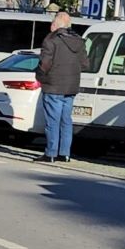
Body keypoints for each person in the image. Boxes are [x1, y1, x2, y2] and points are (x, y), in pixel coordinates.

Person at [36, 11, 87, 164]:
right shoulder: (79, 41)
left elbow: (44, 63)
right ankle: (65, 154)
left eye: (52, 23)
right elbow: (85, 64)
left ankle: (50, 153)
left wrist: (39, 76)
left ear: (56, 25)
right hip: (71, 87)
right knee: (66, 121)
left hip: (53, 85)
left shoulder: (51, 40)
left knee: (52, 121)